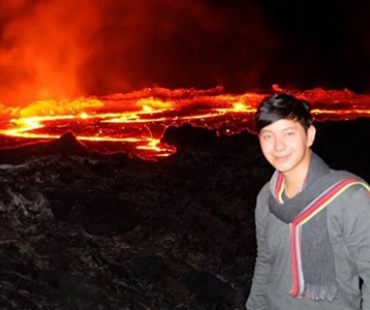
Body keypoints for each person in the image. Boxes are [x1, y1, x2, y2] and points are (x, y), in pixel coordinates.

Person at [246, 93, 370, 310]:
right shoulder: (266, 196)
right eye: (268, 136)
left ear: (309, 135)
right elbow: (265, 261)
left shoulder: (349, 197)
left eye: (289, 133)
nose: (278, 146)